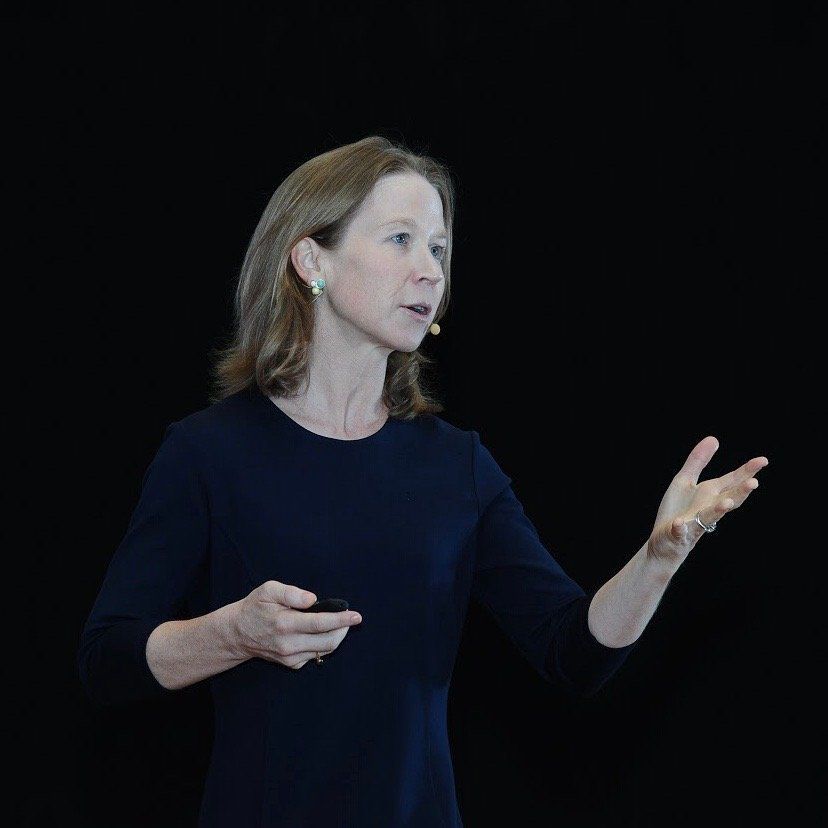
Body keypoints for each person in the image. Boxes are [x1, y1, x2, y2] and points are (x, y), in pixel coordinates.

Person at [77, 135, 768, 827]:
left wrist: (658, 557)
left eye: (438, 249)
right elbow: (106, 661)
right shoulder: (209, 453)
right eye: (401, 240)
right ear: (312, 260)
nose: (431, 271)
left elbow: (574, 653)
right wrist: (233, 634)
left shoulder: (455, 466)